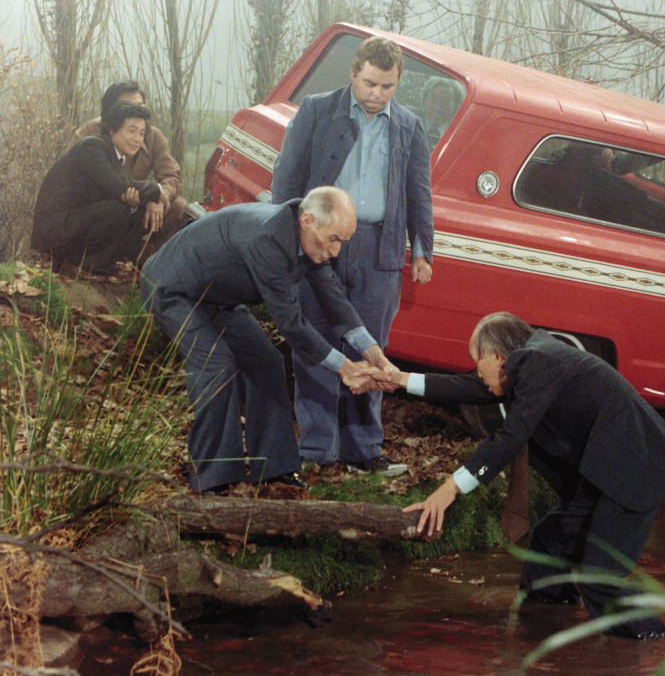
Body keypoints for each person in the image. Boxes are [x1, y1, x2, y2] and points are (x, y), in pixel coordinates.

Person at [372, 312, 665, 639]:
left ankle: (658, 645)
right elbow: (470, 387)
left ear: (496, 356)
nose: (477, 371)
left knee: (599, 580)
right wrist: (398, 379)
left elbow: (511, 435)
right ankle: (545, 630)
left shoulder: (540, 363)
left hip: (634, 472)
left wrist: (450, 488)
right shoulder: (530, 365)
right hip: (603, 473)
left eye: (476, 360)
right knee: (547, 545)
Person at [139, 186, 398, 495]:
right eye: (333, 240)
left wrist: (373, 353)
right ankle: (212, 481)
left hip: (215, 296)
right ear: (307, 221)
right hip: (171, 291)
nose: (336, 251)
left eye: (342, 241)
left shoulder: (308, 237)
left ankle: (274, 469)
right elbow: (292, 325)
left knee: (267, 362)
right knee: (217, 366)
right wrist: (344, 367)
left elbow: (334, 300)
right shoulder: (269, 241)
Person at [270, 36, 434, 476]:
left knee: (371, 347)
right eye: (369, 83)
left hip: (380, 249)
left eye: (387, 86)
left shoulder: (410, 126)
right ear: (353, 72)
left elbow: (419, 191)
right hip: (320, 242)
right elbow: (286, 177)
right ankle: (318, 450)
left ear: (398, 83)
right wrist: (285, 238)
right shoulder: (317, 110)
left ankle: (365, 450)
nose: (377, 94)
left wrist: (422, 250)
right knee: (316, 341)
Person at [31, 101, 162, 275]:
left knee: (136, 209)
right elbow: (119, 187)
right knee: (119, 209)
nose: (137, 139)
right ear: (112, 130)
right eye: (131, 131)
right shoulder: (92, 147)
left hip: (73, 224)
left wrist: (146, 199)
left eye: (141, 133)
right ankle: (79, 266)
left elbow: (122, 190)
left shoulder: (115, 157)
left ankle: (109, 264)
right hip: (57, 229)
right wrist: (157, 189)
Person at [74, 81, 186, 262]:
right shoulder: (88, 133)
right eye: (127, 107)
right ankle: (91, 261)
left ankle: (149, 264)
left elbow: (172, 176)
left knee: (178, 206)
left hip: (136, 203)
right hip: (98, 210)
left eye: (140, 106)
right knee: (115, 210)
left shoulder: (153, 136)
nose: (136, 113)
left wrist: (157, 196)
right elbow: (74, 184)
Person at [419, 76, 460, 149]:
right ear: (425, 99)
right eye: (434, 100)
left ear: (455, 107)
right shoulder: (408, 123)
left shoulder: (458, 134)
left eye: (445, 102)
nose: (438, 108)